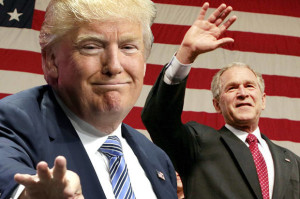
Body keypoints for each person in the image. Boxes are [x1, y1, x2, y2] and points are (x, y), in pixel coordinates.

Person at [0, 0, 178, 198]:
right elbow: (8, 177)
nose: (114, 66)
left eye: (128, 47)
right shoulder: (11, 123)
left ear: (144, 62)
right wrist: (29, 195)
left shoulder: (157, 159)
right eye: (92, 47)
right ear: (51, 61)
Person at [142, 2, 300, 199]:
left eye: (250, 86)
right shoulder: (197, 144)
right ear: (217, 105)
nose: (243, 93)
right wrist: (186, 54)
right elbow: (159, 119)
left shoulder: (291, 161)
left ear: (263, 100)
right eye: (232, 88)